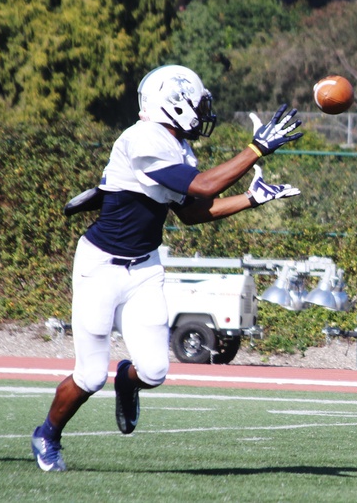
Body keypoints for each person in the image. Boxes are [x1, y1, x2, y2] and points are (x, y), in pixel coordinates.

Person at [31, 65, 304, 472]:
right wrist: (255, 150)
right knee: (89, 377)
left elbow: (192, 212)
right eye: (197, 104)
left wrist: (251, 199)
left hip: (144, 268)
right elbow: (204, 186)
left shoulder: (176, 146)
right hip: (100, 267)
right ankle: (48, 433)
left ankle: (129, 379)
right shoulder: (141, 139)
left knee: (155, 371)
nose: (203, 113)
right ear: (173, 104)